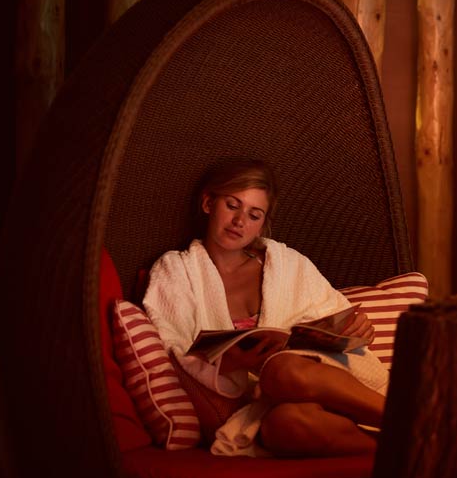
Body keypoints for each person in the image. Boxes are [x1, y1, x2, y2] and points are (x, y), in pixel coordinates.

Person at [143, 158, 387, 458]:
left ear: (263, 222)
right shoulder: (177, 270)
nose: (240, 221)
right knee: (284, 424)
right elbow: (171, 346)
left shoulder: (288, 265)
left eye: (254, 214)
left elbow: (335, 318)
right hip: (256, 410)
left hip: (316, 385)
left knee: (280, 369)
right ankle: (412, 446)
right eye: (232, 205)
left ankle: (412, 422)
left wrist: (357, 329)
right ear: (208, 203)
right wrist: (229, 364)